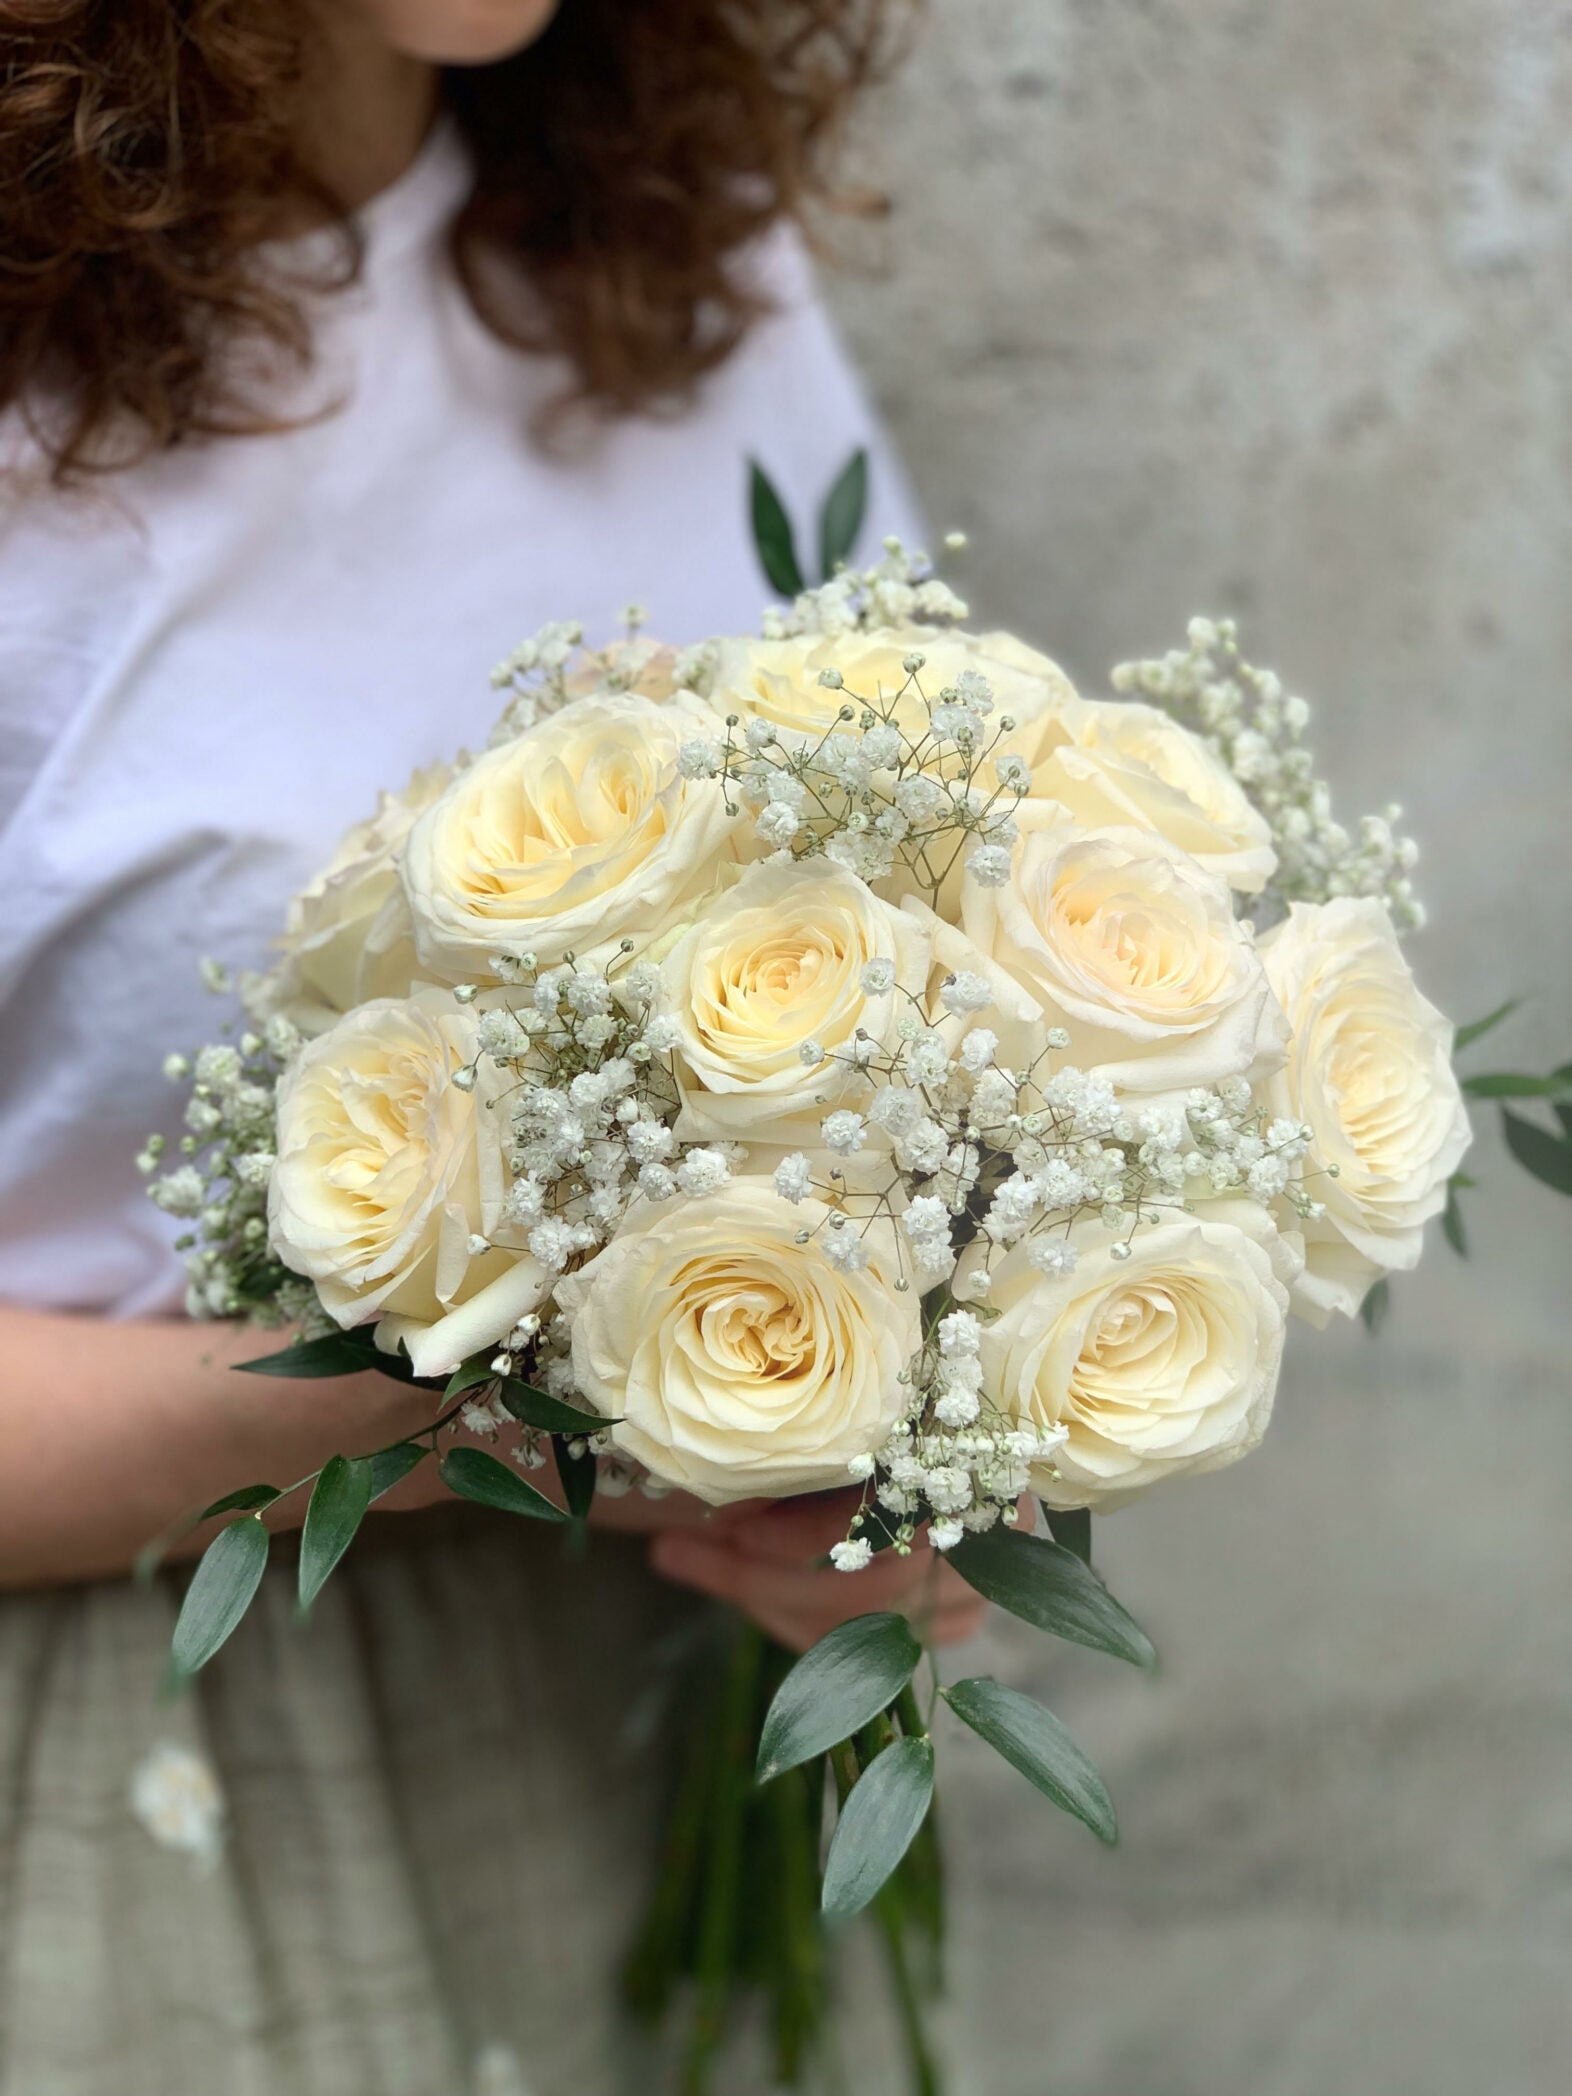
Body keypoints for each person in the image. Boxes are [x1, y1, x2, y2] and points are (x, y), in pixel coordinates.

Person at [0, 4, 984, 2090]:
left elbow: (944, 871)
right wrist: (448, 1422)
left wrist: (919, 1439)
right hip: (127, 1746)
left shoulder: (656, 234)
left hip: (622, 1720)